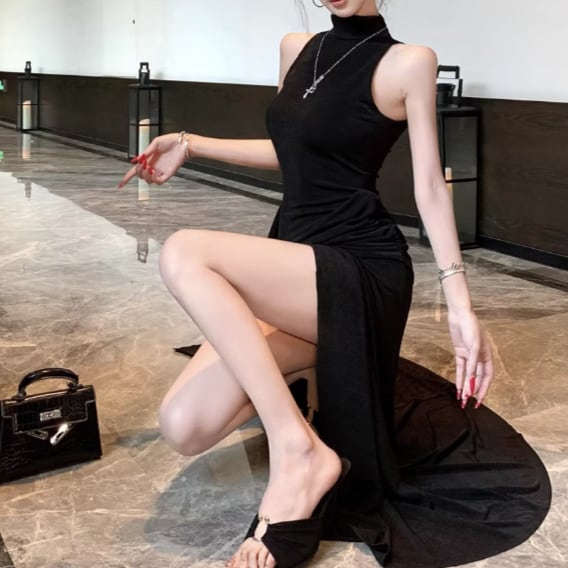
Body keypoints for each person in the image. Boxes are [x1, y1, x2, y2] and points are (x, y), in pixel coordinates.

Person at [118, 1, 550, 567]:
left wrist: (460, 305)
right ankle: (310, 378)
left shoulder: (409, 62)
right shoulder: (296, 48)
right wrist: (191, 142)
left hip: (359, 270)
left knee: (183, 252)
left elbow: (428, 186)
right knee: (183, 427)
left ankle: (298, 451)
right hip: (294, 261)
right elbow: (293, 153)